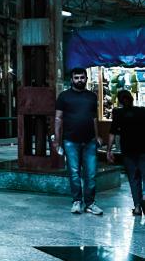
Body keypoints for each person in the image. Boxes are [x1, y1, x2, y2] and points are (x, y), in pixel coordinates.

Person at [52, 67, 103, 215]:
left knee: (91, 174)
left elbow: (94, 118)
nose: (79, 80)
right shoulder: (64, 96)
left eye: (82, 77)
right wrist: (57, 140)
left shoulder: (92, 97)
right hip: (70, 141)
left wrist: (97, 136)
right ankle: (77, 201)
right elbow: (58, 118)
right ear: (72, 80)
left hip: (89, 141)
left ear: (86, 79)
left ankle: (90, 203)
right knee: (74, 173)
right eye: (76, 78)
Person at [106, 89, 145, 216]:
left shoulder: (118, 113)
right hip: (143, 149)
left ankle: (137, 207)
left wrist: (108, 150)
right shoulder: (142, 111)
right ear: (132, 99)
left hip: (128, 150)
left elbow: (112, 132)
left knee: (134, 179)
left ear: (120, 101)